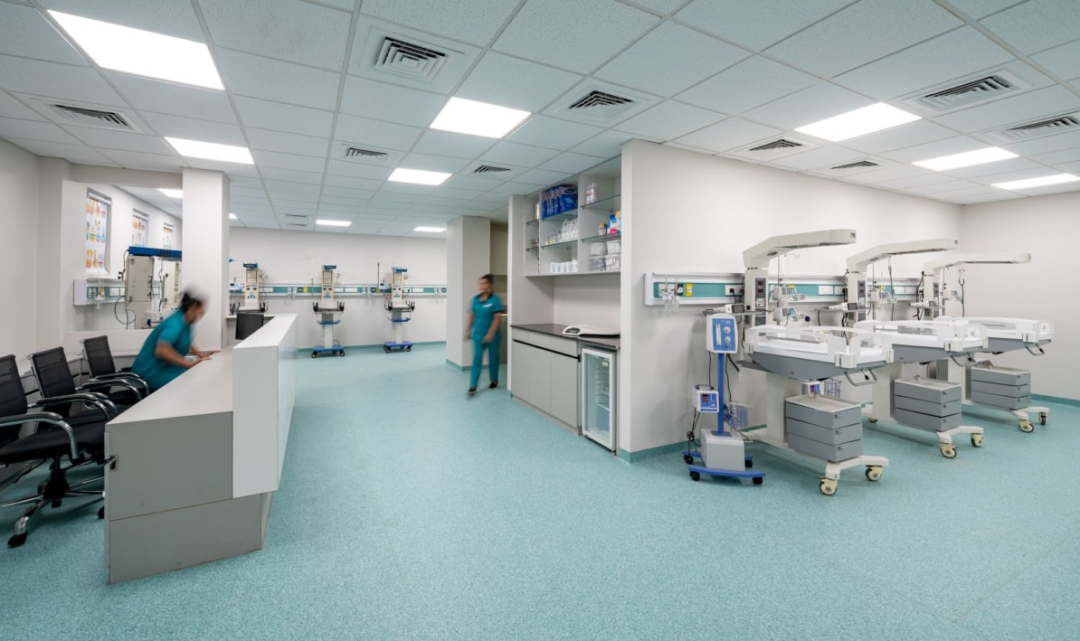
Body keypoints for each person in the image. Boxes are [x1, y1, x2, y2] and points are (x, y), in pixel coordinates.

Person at [131, 291, 214, 392]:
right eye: (200, 312)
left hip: (168, 369)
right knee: (193, 385)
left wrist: (200, 354)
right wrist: (188, 364)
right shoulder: (175, 322)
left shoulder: (186, 321)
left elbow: (185, 340)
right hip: (153, 372)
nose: (201, 316)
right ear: (192, 308)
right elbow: (162, 351)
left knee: (196, 379)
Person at [465, 274, 503, 396]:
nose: (482, 286)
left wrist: (491, 333)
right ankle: (473, 385)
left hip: (493, 337)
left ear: (490, 285)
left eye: (484, 283)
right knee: (477, 359)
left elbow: (497, 318)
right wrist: (468, 330)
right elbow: (472, 316)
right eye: (480, 283)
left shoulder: (495, 300)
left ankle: (494, 380)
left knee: (493, 359)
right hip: (478, 335)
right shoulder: (475, 300)